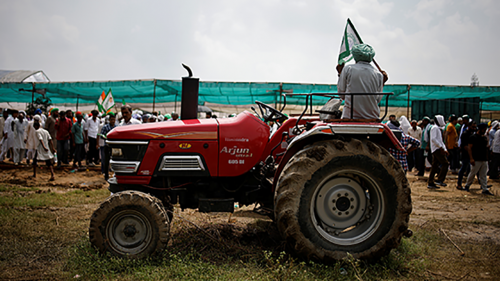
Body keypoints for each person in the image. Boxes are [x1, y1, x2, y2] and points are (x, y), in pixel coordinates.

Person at [336, 44, 388, 120]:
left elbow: (341, 94)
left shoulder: (348, 69)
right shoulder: (378, 74)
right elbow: (378, 99)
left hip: (350, 116)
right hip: (373, 116)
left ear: (355, 56)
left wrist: (340, 74)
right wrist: (382, 82)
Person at [462, 123, 494, 195]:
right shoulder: (473, 137)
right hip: (476, 159)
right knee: (472, 173)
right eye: (483, 129)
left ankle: (484, 188)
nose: (484, 130)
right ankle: (467, 185)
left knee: (483, 175)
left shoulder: (484, 138)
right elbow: (470, 148)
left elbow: (486, 149)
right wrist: (471, 158)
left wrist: (487, 159)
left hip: (483, 159)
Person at [427, 115, 449, 189]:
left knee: (434, 166)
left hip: (438, 148)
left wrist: (445, 149)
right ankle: (440, 180)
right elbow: (434, 139)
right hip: (437, 149)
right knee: (445, 163)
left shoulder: (438, 129)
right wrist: (441, 148)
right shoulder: (435, 128)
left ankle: (430, 182)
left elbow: (440, 140)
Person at [457, 121, 477, 189]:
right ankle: (459, 184)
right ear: (469, 126)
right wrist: (470, 153)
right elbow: (465, 146)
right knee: (463, 169)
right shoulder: (465, 134)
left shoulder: (473, 134)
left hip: (471, 154)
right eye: (473, 127)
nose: (474, 128)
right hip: (466, 155)